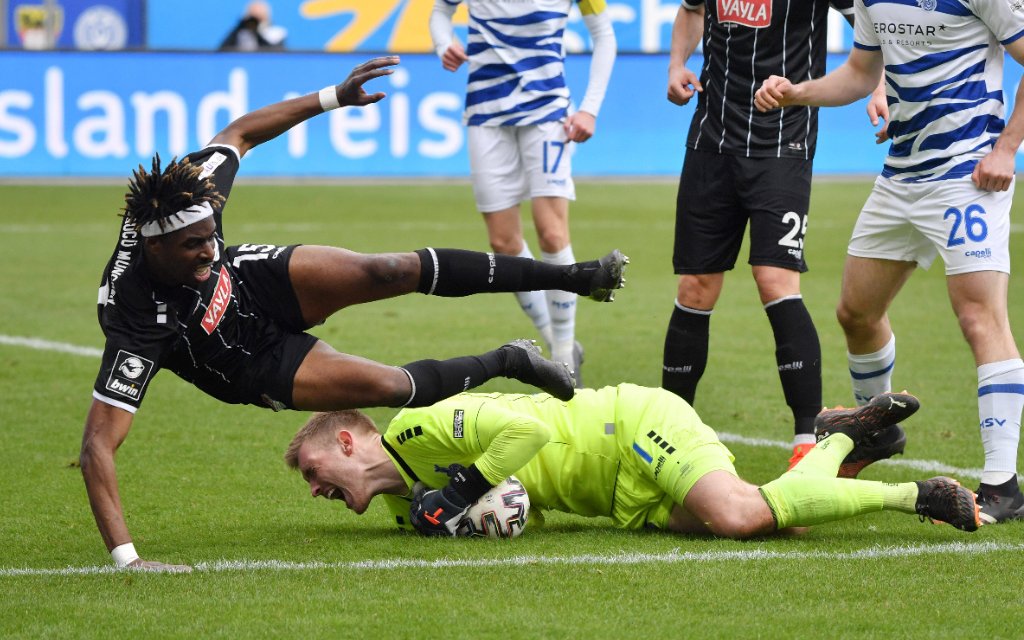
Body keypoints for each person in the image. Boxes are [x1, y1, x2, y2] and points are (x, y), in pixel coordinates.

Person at [81, 56, 629, 572]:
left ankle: (574, 277)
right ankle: (509, 359)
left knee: (387, 269)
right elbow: (98, 446)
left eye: (210, 237)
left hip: (250, 285)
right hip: (248, 362)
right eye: (193, 247)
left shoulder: (189, 200)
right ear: (155, 249)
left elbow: (239, 133)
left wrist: (333, 98)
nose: (207, 249)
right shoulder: (135, 319)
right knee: (392, 388)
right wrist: (129, 560)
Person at [755, 1, 1024, 523]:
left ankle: (1003, 483)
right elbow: (860, 74)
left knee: (979, 317)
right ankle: (875, 429)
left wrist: (1007, 148)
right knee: (856, 312)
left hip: (967, 177)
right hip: (901, 175)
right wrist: (796, 93)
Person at [660, 0, 903, 472]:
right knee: (694, 288)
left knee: (774, 281)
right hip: (710, 142)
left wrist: (882, 84)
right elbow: (690, 12)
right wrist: (676, 64)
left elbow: (871, 23)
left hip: (782, 146)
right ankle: (671, 430)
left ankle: (806, 442)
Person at [286, 387, 981, 539]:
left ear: (350, 441)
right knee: (776, 523)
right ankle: (836, 439)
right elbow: (503, 505)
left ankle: (919, 496)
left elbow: (526, 428)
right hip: (612, 497)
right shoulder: (399, 501)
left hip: (629, 428)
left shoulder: (414, 428)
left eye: (315, 472)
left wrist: (469, 486)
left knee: (741, 517)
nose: (315, 490)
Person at [428, 0, 617, 383]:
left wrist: (589, 109)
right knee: (503, 241)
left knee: (551, 231)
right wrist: (441, 42)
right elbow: (439, 11)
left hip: (548, 116)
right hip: (485, 116)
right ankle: (555, 341)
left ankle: (564, 357)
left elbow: (604, 35)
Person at [218, 1, 286, 52]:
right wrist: (239, 27)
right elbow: (222, 50)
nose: (255, 21)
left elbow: (275, 53)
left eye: (259, 16)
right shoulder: (241, 33)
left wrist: (256, 33)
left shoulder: (277, 32)